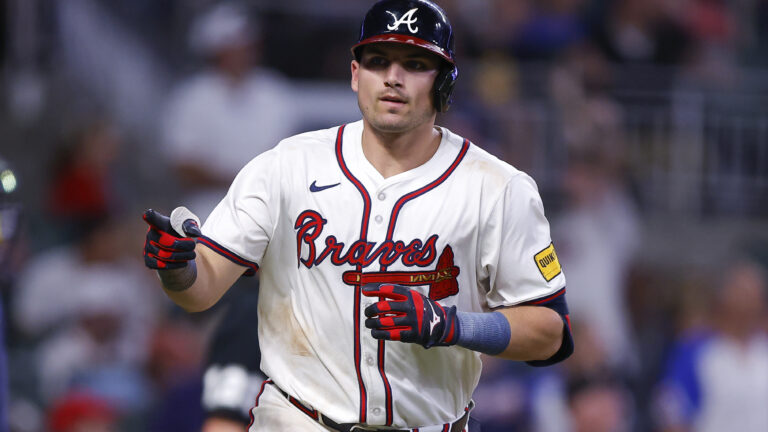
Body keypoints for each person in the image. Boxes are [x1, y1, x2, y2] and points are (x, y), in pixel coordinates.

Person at [142, 1, 574, 430]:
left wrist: (451, 325)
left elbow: (550, 331)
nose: (393, 77)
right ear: (355, 74)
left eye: (415, 63)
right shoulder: (286, 166)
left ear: (444, 82)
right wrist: (177, 268)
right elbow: (202, 288)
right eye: (378, 61)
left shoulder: (497, 187)